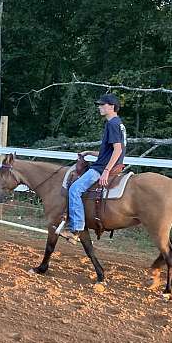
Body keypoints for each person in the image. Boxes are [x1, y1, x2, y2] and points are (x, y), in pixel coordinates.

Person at [59, 93, 127, 244]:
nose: (99, 107)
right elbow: (108, 152)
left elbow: (117, 150)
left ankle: (76, 229)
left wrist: (106, 171)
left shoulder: (112, 124)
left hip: (102, 168)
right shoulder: (118, 124)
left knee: (74, 189)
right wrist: (89, 152)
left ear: (111, 106)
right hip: (108, 163)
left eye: (102, 105)